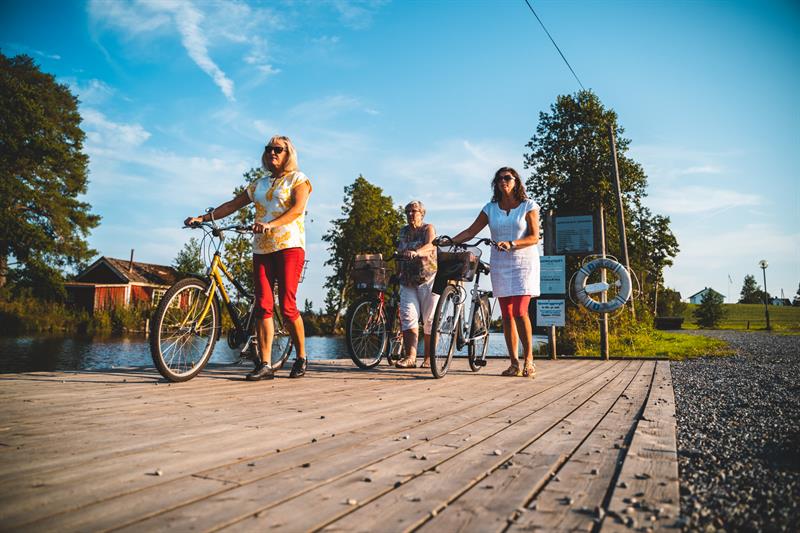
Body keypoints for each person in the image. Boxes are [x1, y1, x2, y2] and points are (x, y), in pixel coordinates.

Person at [184, 135, 312, 381]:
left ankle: (301, 356)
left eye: (278, 149)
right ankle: (264, 364)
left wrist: (270, 224)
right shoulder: (259, 184)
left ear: (288, 154)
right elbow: (232, 205)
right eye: (269, 149)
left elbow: (297, 210)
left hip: (289, 246)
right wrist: (203, 218)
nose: (272, 152)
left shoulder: (299, 179)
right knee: (263, 304)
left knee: (287, 306)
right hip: (262, 249)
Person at [450, 167, 540, 377]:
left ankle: (529, 359)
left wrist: (512, 243)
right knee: (507, 314)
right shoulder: (490, 208)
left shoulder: (528, 206)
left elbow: (535, 237)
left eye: (507, 178)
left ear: (516, 181)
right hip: (500, 262)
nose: (503, 181)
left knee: (519, 311)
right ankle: (514, 363)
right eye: (499, 179)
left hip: (523, 263)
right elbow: (472, 231)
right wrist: (450, 241)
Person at [395, 201, 439, 369]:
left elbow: (430, 246)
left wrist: (417, 252)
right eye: (407, 212)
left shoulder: (428, 228)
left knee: (429, 319)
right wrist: (396, 269)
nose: (410, 215)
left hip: (428, 278)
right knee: (407, 316)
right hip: (407, 279)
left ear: (422, 213)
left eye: (414, 211)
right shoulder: (403, 231)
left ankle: (428, 358)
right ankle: (410, 357)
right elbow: (400, 250)